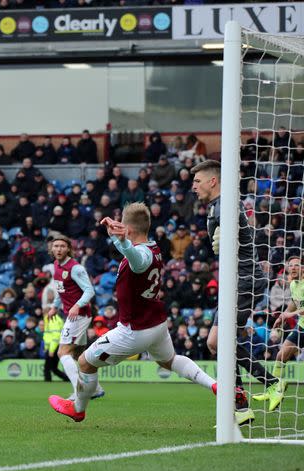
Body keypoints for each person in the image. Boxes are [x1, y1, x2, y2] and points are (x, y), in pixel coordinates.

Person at [48, 204, 217, 422]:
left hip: (134, 329)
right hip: (157, 324)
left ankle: (77, 409)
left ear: (127, 228)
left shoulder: (141, 255)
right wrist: (121, 238)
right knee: (169, 361)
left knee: (84, 362)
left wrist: (121, 240)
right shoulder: (153, 246)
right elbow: (136, 252)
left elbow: (137, 261)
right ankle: (214, 385)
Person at [191, 159, 276, 426]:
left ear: (212, 181)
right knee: (215, 342)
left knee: (222, 340)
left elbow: (239, 234)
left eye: (197, 181)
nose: (193, 186)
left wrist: (228, 237)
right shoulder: (216, 206)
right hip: (233, 281)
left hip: (246, 279)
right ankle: (241, 408)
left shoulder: (227, 203)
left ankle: (271, 384)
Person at [50, 234, 104, 400]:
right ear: (52, 249)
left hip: (79, 315)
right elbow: (61, 290)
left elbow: (89, 291)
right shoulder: (56, 266)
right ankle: (96, 389)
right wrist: (54, 306)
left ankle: (80, 391)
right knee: (77, 355)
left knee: (62, 352)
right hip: (72, 314)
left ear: (68, 249)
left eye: (62, 246)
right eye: (56, 246)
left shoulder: (76, 268)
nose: (59, 249)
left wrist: (76, 305)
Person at [253, 256, 304, 410]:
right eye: (291, 265)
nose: (293, 268)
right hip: (302, 327)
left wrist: (290, 315)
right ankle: (275, 387)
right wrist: (282, 317)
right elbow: (294, 303)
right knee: (281, 355)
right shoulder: (294, 284)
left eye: (297, 265)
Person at [43, 308, 69, 382]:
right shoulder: (49, 319)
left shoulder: (53, 320)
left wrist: (51, 350)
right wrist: (46, 347)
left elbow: (56, 337)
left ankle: (47, 381)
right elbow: (48, 336)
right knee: (53, 367)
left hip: (54, 346)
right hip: (53, 346)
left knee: (48, 367)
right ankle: (66, 378)